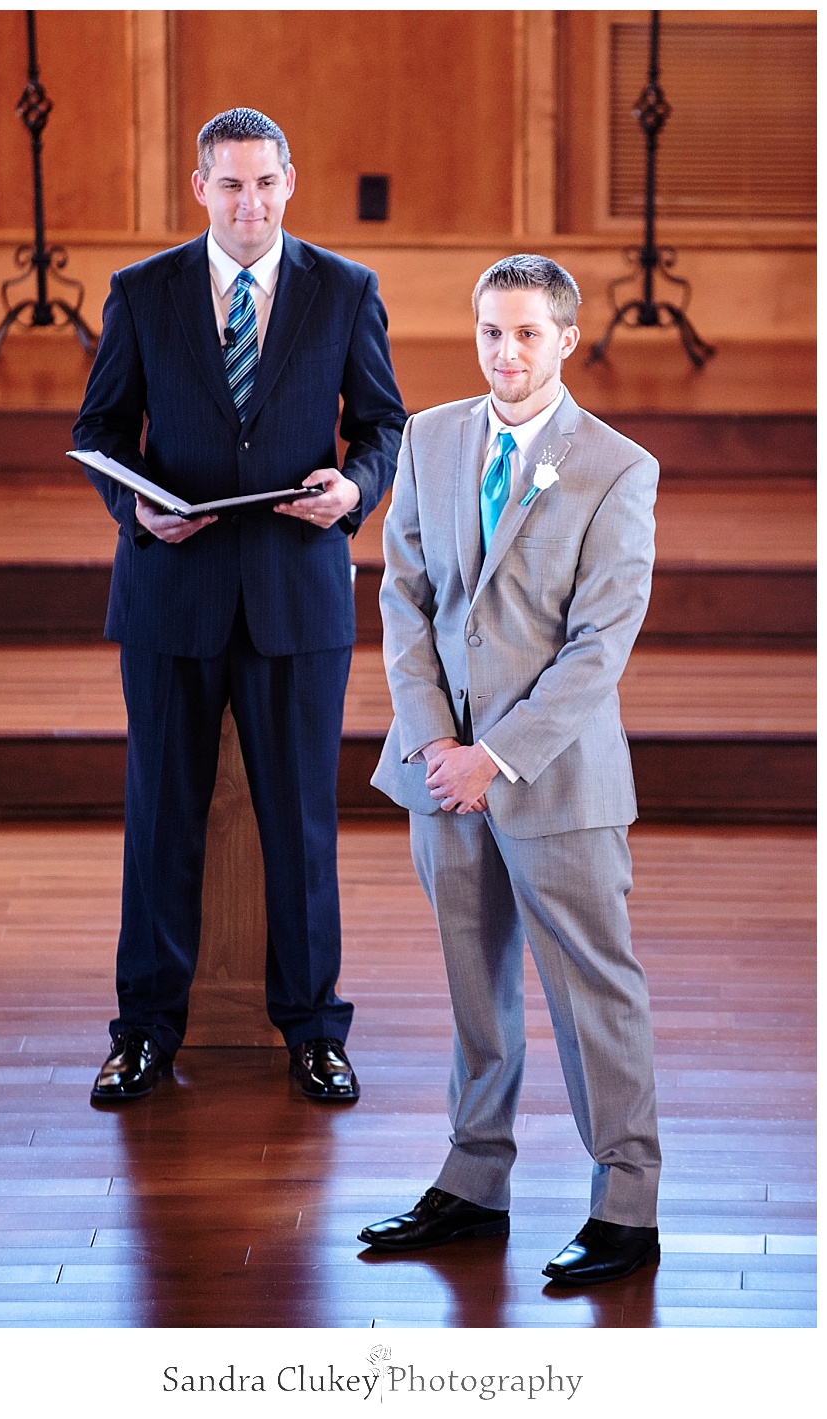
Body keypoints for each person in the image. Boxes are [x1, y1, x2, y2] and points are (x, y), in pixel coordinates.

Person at [73, 107, 406, 1106]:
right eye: (231, 185)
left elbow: (383, 424)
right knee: (159, 819)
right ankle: (144, 1033)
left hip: (296, 598)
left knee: (301, 824)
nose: (249, 202)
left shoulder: (347, 291)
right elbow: (101, 427)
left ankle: (313, 1030)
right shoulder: (142, 292)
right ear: (200, 187)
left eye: (265, 183)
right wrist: (135, 506)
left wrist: (355, 491)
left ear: (290, 183)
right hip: (171, 593)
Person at [360, 255, 662, 1284]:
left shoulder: (616, 467)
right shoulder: (432, 438)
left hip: (554, 780)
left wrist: (498, 755)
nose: (508, 353)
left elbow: (600, 645)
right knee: (472, 986)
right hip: (441, 774)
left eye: (529, 333)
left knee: (593, 995)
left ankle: (626, 1204)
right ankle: (472, 1180)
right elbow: (405, 598)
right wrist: (438, 743)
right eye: (492, 331)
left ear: (568, 340)